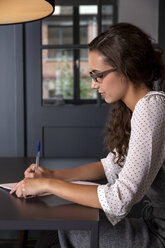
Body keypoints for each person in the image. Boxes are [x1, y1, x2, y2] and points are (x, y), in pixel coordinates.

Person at [10, 23, 165, 248]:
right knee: (59, 226)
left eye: (98, 76)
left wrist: (49, 185)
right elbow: (110, 165)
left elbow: (118, 200)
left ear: (126, 68)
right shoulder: (139, 108)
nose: (93, 85)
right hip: (152, 223)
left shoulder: (151, 108)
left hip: (158, 234)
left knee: (58, 233)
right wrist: (52, 175)